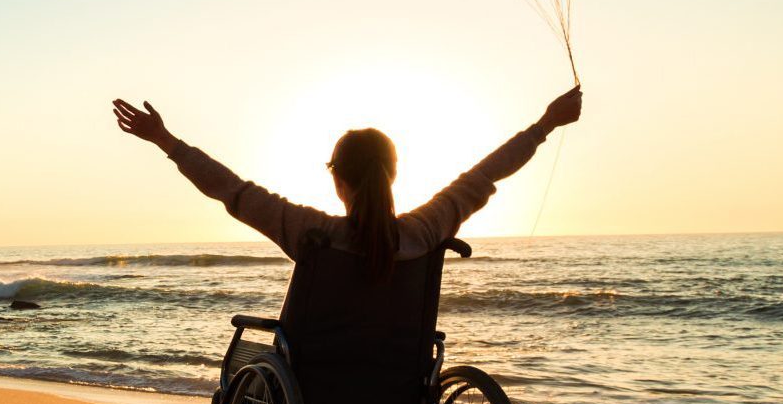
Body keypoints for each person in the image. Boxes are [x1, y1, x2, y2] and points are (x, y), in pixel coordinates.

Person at [111, 87, 582, 275]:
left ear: (338, 180)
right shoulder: (424, 231)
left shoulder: (312, 234)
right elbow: (485, 173)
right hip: (393, 383)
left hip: (317, 385)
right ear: (395, 173)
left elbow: (230, 190)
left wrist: (165, 141)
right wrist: (545, 124)